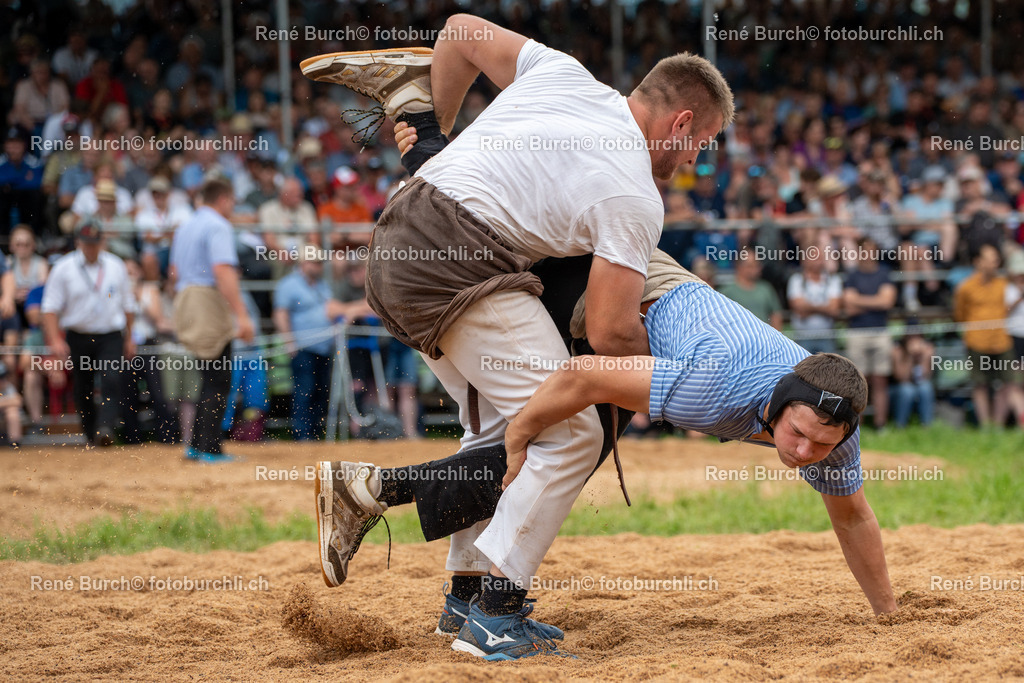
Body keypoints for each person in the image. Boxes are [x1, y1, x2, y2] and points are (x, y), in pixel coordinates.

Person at [302, 14, 733, 660]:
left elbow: (459, 30)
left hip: (398, 236)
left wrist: (432, 139)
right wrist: (670, 384)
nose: (696, 160)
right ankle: (495, 617)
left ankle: (465, 596)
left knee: (506, 428)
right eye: (703, 143)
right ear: (679, 125)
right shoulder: (634, 192)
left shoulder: (564, 73)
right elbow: (614, 330)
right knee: (572, 431)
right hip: (459, 263)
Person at [169, 176, 255, 462]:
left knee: (208, 376)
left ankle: (197, 444)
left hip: (186, 297)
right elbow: (222, 270)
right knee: (218, 377)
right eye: (231, 202)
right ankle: (208, 447)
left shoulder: (185, 226)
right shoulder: (217, 225)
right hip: (205, 298)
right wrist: (242, 316)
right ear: (223, 199)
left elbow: (172, 272)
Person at [40, 218, 137, 447]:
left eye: (94, 242)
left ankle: (105, 427)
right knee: (82, 386)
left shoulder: (116, 265)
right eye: (86, 243)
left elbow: (129, 305)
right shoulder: (63, 268)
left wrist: (130, 337)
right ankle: (91, 433)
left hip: (111, 335)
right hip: (78, 335)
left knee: (112, 380)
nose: (91, 248)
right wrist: (55, 339)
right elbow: (49, 308)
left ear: (101, 241)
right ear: (78, 242)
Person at [953, 244, 1024, 427]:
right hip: (977, 342)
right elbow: (960, 314)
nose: (994, 263)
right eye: (990, 259)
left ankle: (998, 425)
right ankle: (985, 426)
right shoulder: (966, 287)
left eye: (996, 259)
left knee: (1009, 382)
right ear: (978, 262)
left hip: (1002, 341)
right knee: (980, 385)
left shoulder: (1002, 284)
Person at [843, 238, 897, 430]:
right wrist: (876, 302)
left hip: (880, 332)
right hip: (857, 333)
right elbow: (848, 307)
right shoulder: (852, 275)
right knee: (858, 383)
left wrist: (859, 301)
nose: (868, 254)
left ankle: (880, 425)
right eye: (864, 250)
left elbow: (887, 302)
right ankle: (857, 426)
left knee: (880, 380)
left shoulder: (884, 274)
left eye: (871, 250)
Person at [787, 248, 842, 354]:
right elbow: (798, 308)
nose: (816, 261)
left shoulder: (833, 279)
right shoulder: (796, 279)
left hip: (827, 335)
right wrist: (825, 308)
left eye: (819, 258)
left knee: (829, 369)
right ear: (804, 260)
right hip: (803, 336)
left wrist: (808, 307)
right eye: (813, 257)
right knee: (803, 369)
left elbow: (834, 309)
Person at [717, 246, 783, 330]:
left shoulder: (766, 289)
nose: (757, 269)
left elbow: (776, 315)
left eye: (758, 265)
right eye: (751, 265)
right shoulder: (726, 292)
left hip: (763, 339)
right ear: (739, 267)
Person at [891, 332, 936, 428]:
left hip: (919, 384)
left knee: (926, 388)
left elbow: (927, 375)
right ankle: (900, 425)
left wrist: (924, 357)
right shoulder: (898, 350)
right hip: (897, 387)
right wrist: (910, 357)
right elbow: (901, 377)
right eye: (911, 338)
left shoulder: (926, 350)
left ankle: (927, 426)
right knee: (907, 390)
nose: (915, 341)